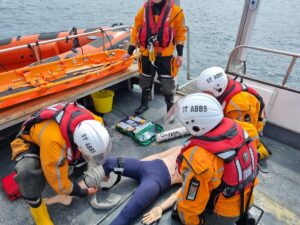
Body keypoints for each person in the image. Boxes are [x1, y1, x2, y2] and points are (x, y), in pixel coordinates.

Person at [163, 93, 259, 225]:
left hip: (224, 214)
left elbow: (191, 204)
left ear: (196, 126)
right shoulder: (245, 128)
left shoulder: (199, 158)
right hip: (248, 199)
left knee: (180, 211)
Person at [10, 102, 111, 225]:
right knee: (27, 172)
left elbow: (97, 150)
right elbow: (60, 185)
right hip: (32, 141)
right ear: (78, 145)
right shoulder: (55, 143)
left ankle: (72, 166)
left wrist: (99, 167)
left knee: (79, 166)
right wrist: (83, 192)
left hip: (62, 135)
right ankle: (39, 214)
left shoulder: (96, 123)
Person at [83, 145, 182, 225]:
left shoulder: (196, 171)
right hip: (143, 166)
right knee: (110, 162)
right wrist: (134, 166)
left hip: (155, 181)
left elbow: (179, 194)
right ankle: (80, 186)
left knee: (127, 213)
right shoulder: (183, 146)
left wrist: (161, 207)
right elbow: (159, 155)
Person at [123, 0, 187, 115]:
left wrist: (180, 55)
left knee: (168, 85)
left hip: (165, 56)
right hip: (146, 54)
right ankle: (144, 104)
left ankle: (170, 109)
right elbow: (136, 30)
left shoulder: (177, 12)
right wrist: (129, 52)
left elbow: (180, 34)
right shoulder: (143, 10)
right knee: (145, 80)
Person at [196, 66, 272, 162]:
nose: (203, 94)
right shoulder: (224, 90)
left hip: (249, 129)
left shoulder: (238, 104)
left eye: (206, 92)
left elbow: (247, 132)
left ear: (218, 88)